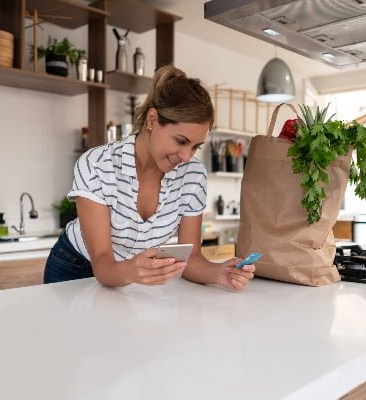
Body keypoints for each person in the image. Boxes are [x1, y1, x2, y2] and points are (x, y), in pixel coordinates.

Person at [44, 65, 255, 291]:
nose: (186, 156)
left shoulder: (193, 175)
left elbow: (191, 257)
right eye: (181, 141)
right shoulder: (97, 164)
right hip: (74, 267)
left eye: (195, 146)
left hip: (131, 277)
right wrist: (134, 270)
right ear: (152, 120)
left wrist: (218, 272)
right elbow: (104, 265)